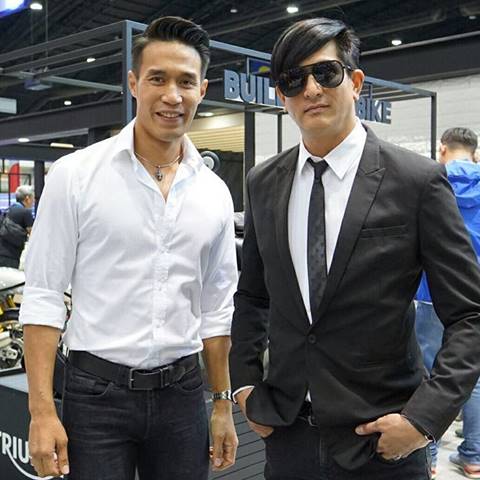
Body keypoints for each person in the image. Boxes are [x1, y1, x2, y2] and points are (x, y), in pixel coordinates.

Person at [229, 17, 480, 480]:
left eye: (325, 73)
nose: (311, 89)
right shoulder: (264, 182)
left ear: (356, 82)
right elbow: (253, 296)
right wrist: (244, 385)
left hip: (382, 443)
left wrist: (424, 420)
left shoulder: (416, 181)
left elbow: (469, 315)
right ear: (282, 96)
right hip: (288, 437)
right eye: (293, 80)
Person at [20, 16, 238, 480]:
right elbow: (43, 296)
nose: (172, 96)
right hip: (95, 394)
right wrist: (41, 412)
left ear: (203, 90)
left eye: (186, 82)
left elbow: (217, 307)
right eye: (158, 79)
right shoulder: (76, 176)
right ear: (135, 83)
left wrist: (222, 404)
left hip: (183, 394)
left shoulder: (214, 192)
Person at [416, 127, 480, 479]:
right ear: (475, 153)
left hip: (431, 293)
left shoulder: (429, 179)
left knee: (430, 374)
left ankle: (428, 457)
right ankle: (473, 456)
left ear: (442, 149)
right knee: (474, 376)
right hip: (478, 295)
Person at [0, 185, 34, 268]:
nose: (33, 201)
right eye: (32, 198)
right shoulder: (26, 212)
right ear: (27, 198)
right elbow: (33, 234)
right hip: (11, 255)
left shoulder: (9, 209)